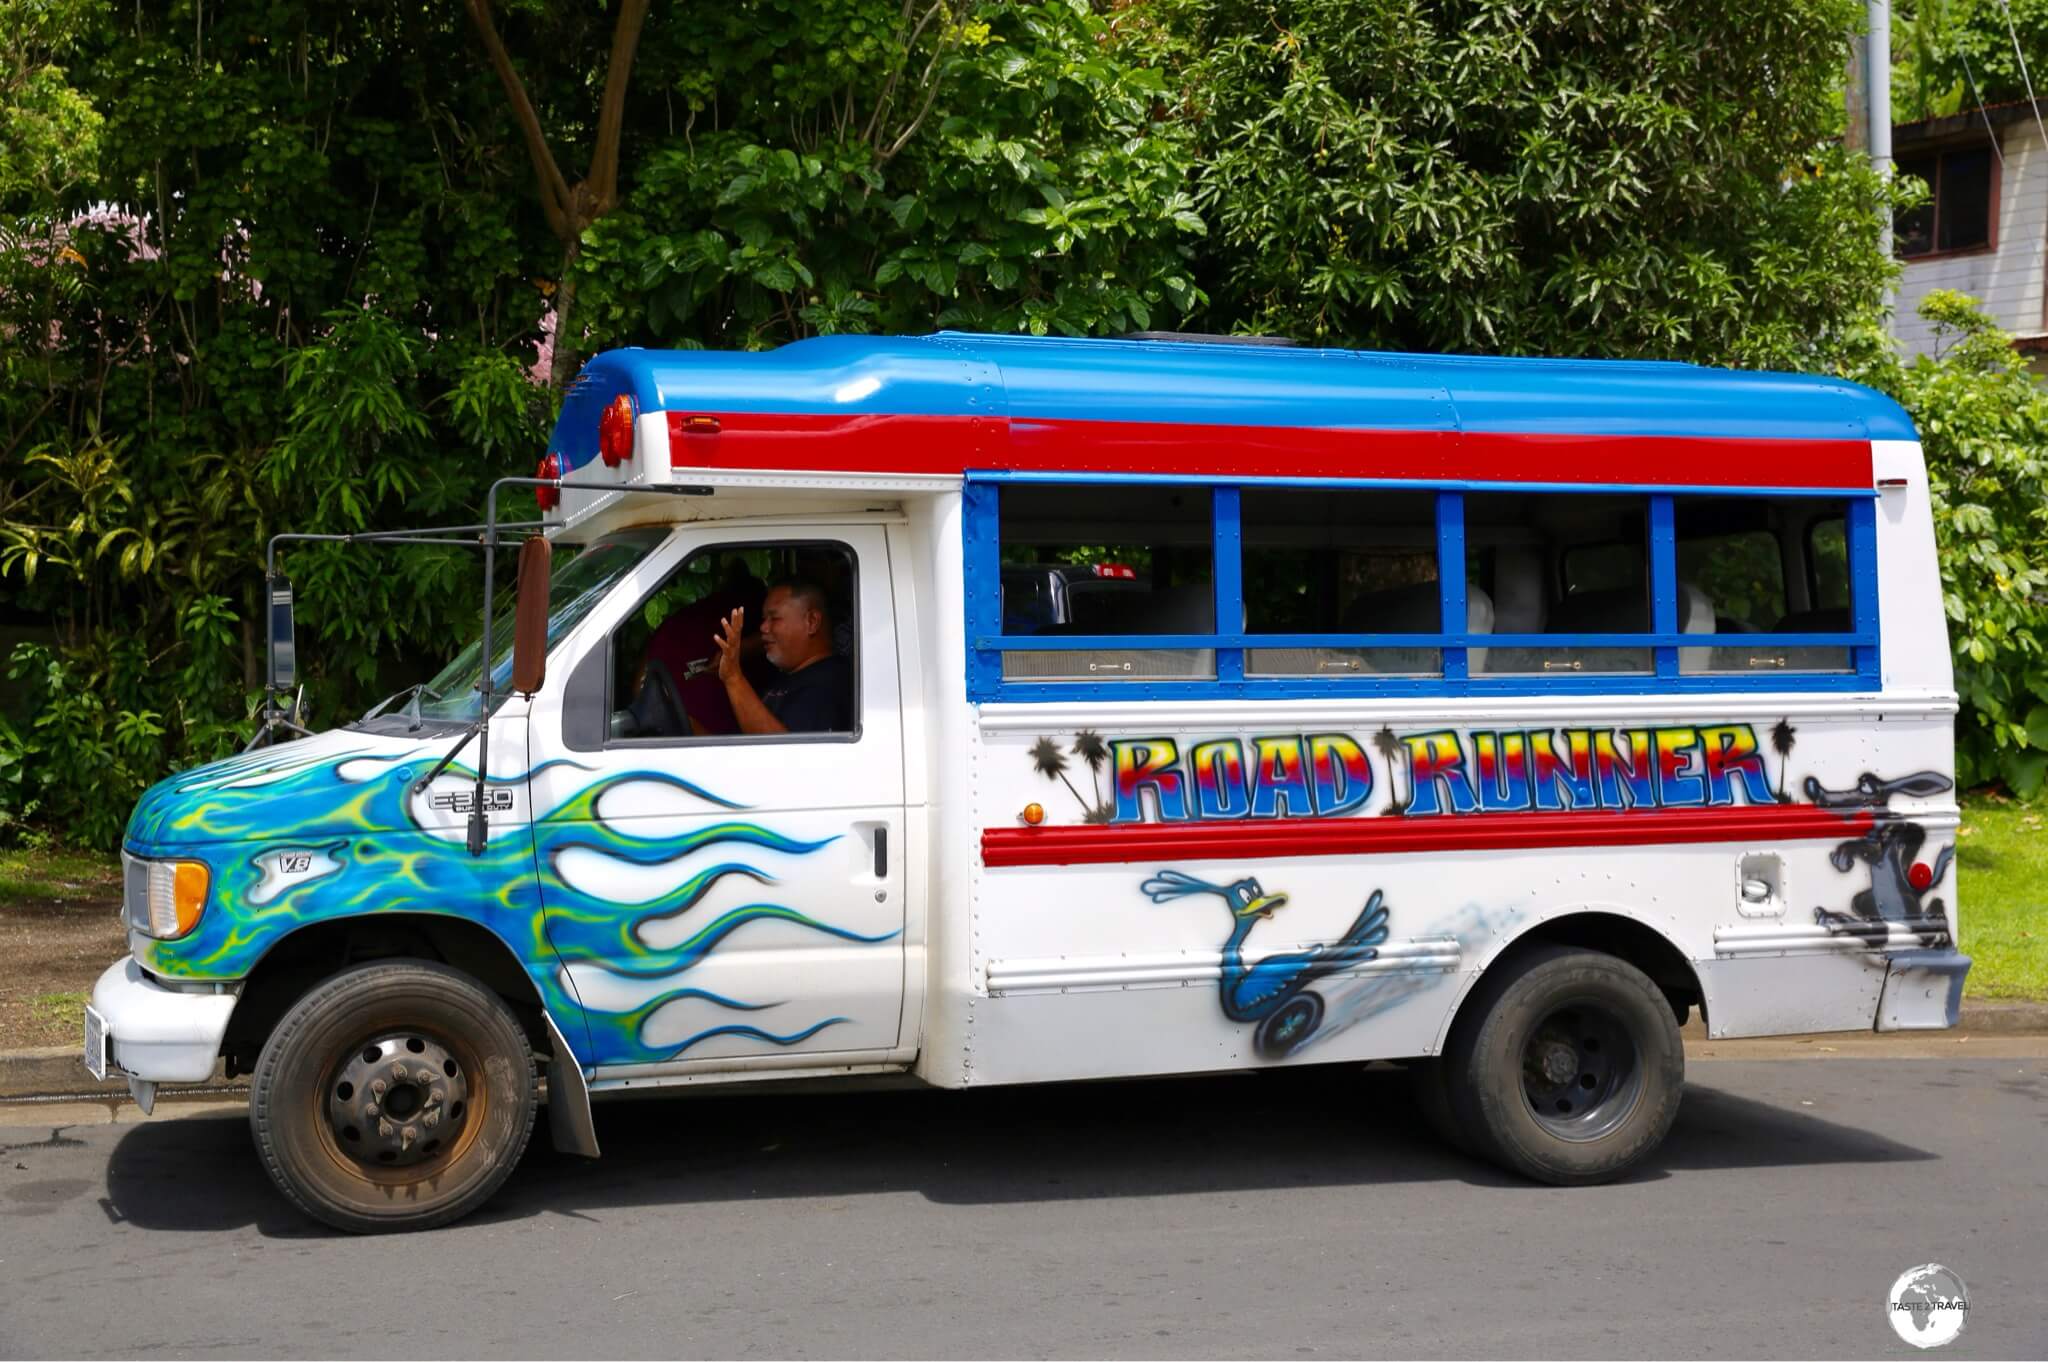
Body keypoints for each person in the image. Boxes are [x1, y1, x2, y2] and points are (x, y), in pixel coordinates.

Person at [640, 556, 765, 735]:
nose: (768, 628)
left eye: (774, 618)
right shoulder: (682, 627)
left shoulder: (751, 627)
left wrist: (743, 652)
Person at [714, 579, 854, 734]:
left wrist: (733, 677)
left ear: (812, 622)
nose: (763, 627)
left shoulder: (829, 683)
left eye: (774, 618)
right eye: (764, 619)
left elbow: (786, 752)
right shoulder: (790, 676)